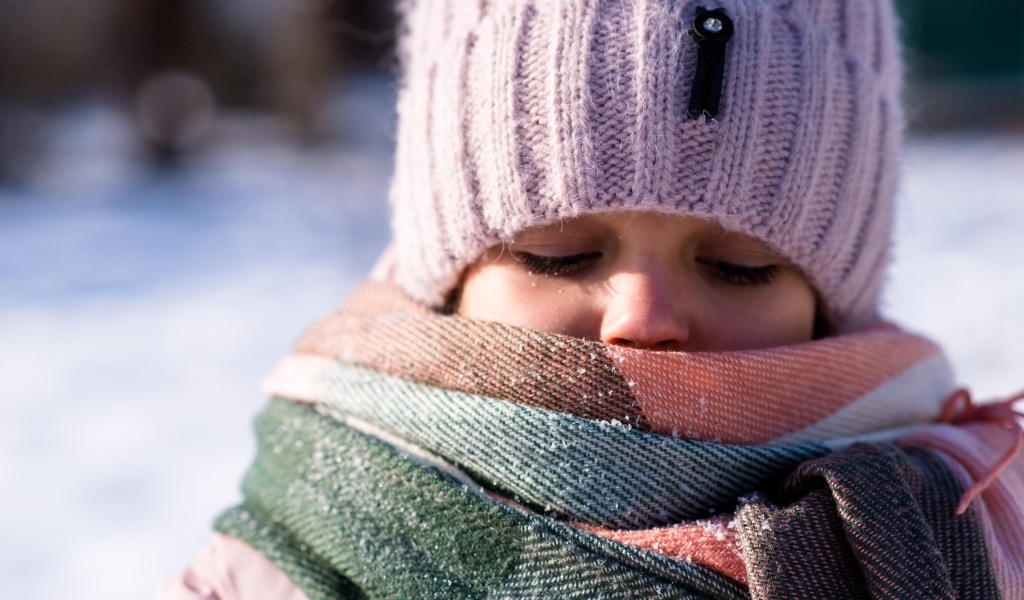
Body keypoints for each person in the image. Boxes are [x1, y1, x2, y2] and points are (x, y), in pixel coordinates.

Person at [158, 0, 1024, 598]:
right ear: (449, 281)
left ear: (831, 306)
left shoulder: (967, 532)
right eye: (558, 255)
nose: (641, 318)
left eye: (738, 265)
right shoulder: (274, 572)